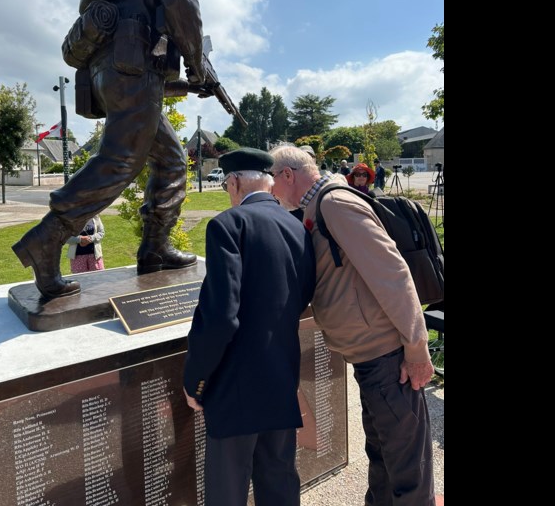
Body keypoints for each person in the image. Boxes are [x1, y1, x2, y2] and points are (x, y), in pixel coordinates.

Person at [12, 0, 221, 297]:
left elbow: (155, 71)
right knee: (120, 161)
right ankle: (47, 238)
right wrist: (196, 62)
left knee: (173, 159)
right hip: (131, 70)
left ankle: (155, 249)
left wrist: (194, 83)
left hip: (121, 70)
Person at [268, 145, 435, 506]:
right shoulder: (318, 207)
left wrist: (417, 349)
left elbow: (392, 273)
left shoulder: (334, 204)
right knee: (383, 456)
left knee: (407, 469)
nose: (271, 192)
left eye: (273, 182)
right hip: (371, 356)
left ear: (287, 175)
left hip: (388, 358)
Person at [183, 148, 315, 506]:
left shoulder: (228, 224)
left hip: (234, 386)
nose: (229, 191)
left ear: (236, 181)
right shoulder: (297, 227)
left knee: (227, 489)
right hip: (281, 376)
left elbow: (221, 315)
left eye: (228, 184)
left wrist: (195, 379)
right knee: (279, 482)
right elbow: (302, 296)